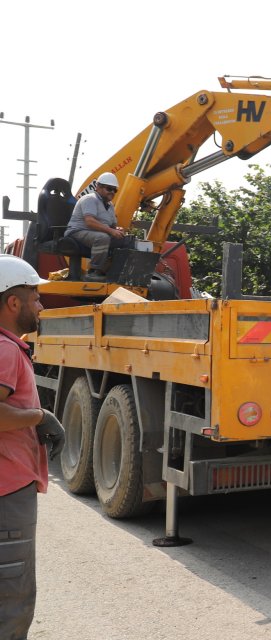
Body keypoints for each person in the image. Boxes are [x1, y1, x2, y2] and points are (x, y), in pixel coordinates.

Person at [0, 256, 64, 639]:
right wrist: (40, 418)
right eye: (35, 296)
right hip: (7, 492)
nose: (41, 305)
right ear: (13, 303)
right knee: (11, 602)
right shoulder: (6, 351)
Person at [65, 172, 133, 281]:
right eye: (109, 188)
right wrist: (111, 231)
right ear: (98, 187)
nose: (112, 192)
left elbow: (113, 225)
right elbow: (90, 222)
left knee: (127, 241)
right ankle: (93, 272)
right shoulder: (90, 199)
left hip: (96, 233)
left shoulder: (110, 206)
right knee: (102, 238)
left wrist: (117, 230)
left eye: (114, 190)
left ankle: (109, 271)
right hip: (77, 232)